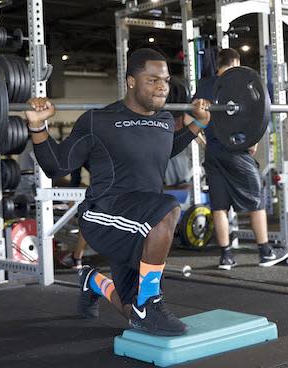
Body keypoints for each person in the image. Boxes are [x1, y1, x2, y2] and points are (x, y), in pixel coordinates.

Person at [24, 48, 210, 336]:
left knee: (130, 313)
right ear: (131, 82)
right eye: (152, 80)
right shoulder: (98, 121)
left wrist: (198, 123)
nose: (162, 86)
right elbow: (57, 166)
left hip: (141, 222)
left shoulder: (162, 121)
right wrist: (37, 126)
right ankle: (148, 303)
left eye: (165, 80)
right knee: (168, 207)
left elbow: (168, 148)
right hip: (103, 215)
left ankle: (93, 281)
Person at [190, 48, 288, 270]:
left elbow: (188, 116)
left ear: (218, 64)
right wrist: (252, 141)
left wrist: (203, 140)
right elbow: (259, 115)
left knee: (219, 206)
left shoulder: (205, 85)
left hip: (213, 153)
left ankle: (226, 256)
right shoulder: (243, 82)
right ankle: (265, 252)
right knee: (257, 202)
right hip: (236, 151)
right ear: (236, 62)